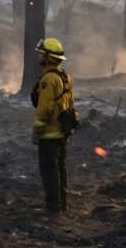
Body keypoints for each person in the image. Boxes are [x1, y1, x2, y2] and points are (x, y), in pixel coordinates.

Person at [30, 37, 76, 215]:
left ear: (49, 57)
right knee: (60, 169)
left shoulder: (48, 79)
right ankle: (62, 205)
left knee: (49, 171)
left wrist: (37, 130)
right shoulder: (65, 76)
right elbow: (70, 104)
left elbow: (44, 109)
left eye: (41, 54)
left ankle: (53, 208)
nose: (39, 56)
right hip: (62, 132)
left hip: (49, 134)